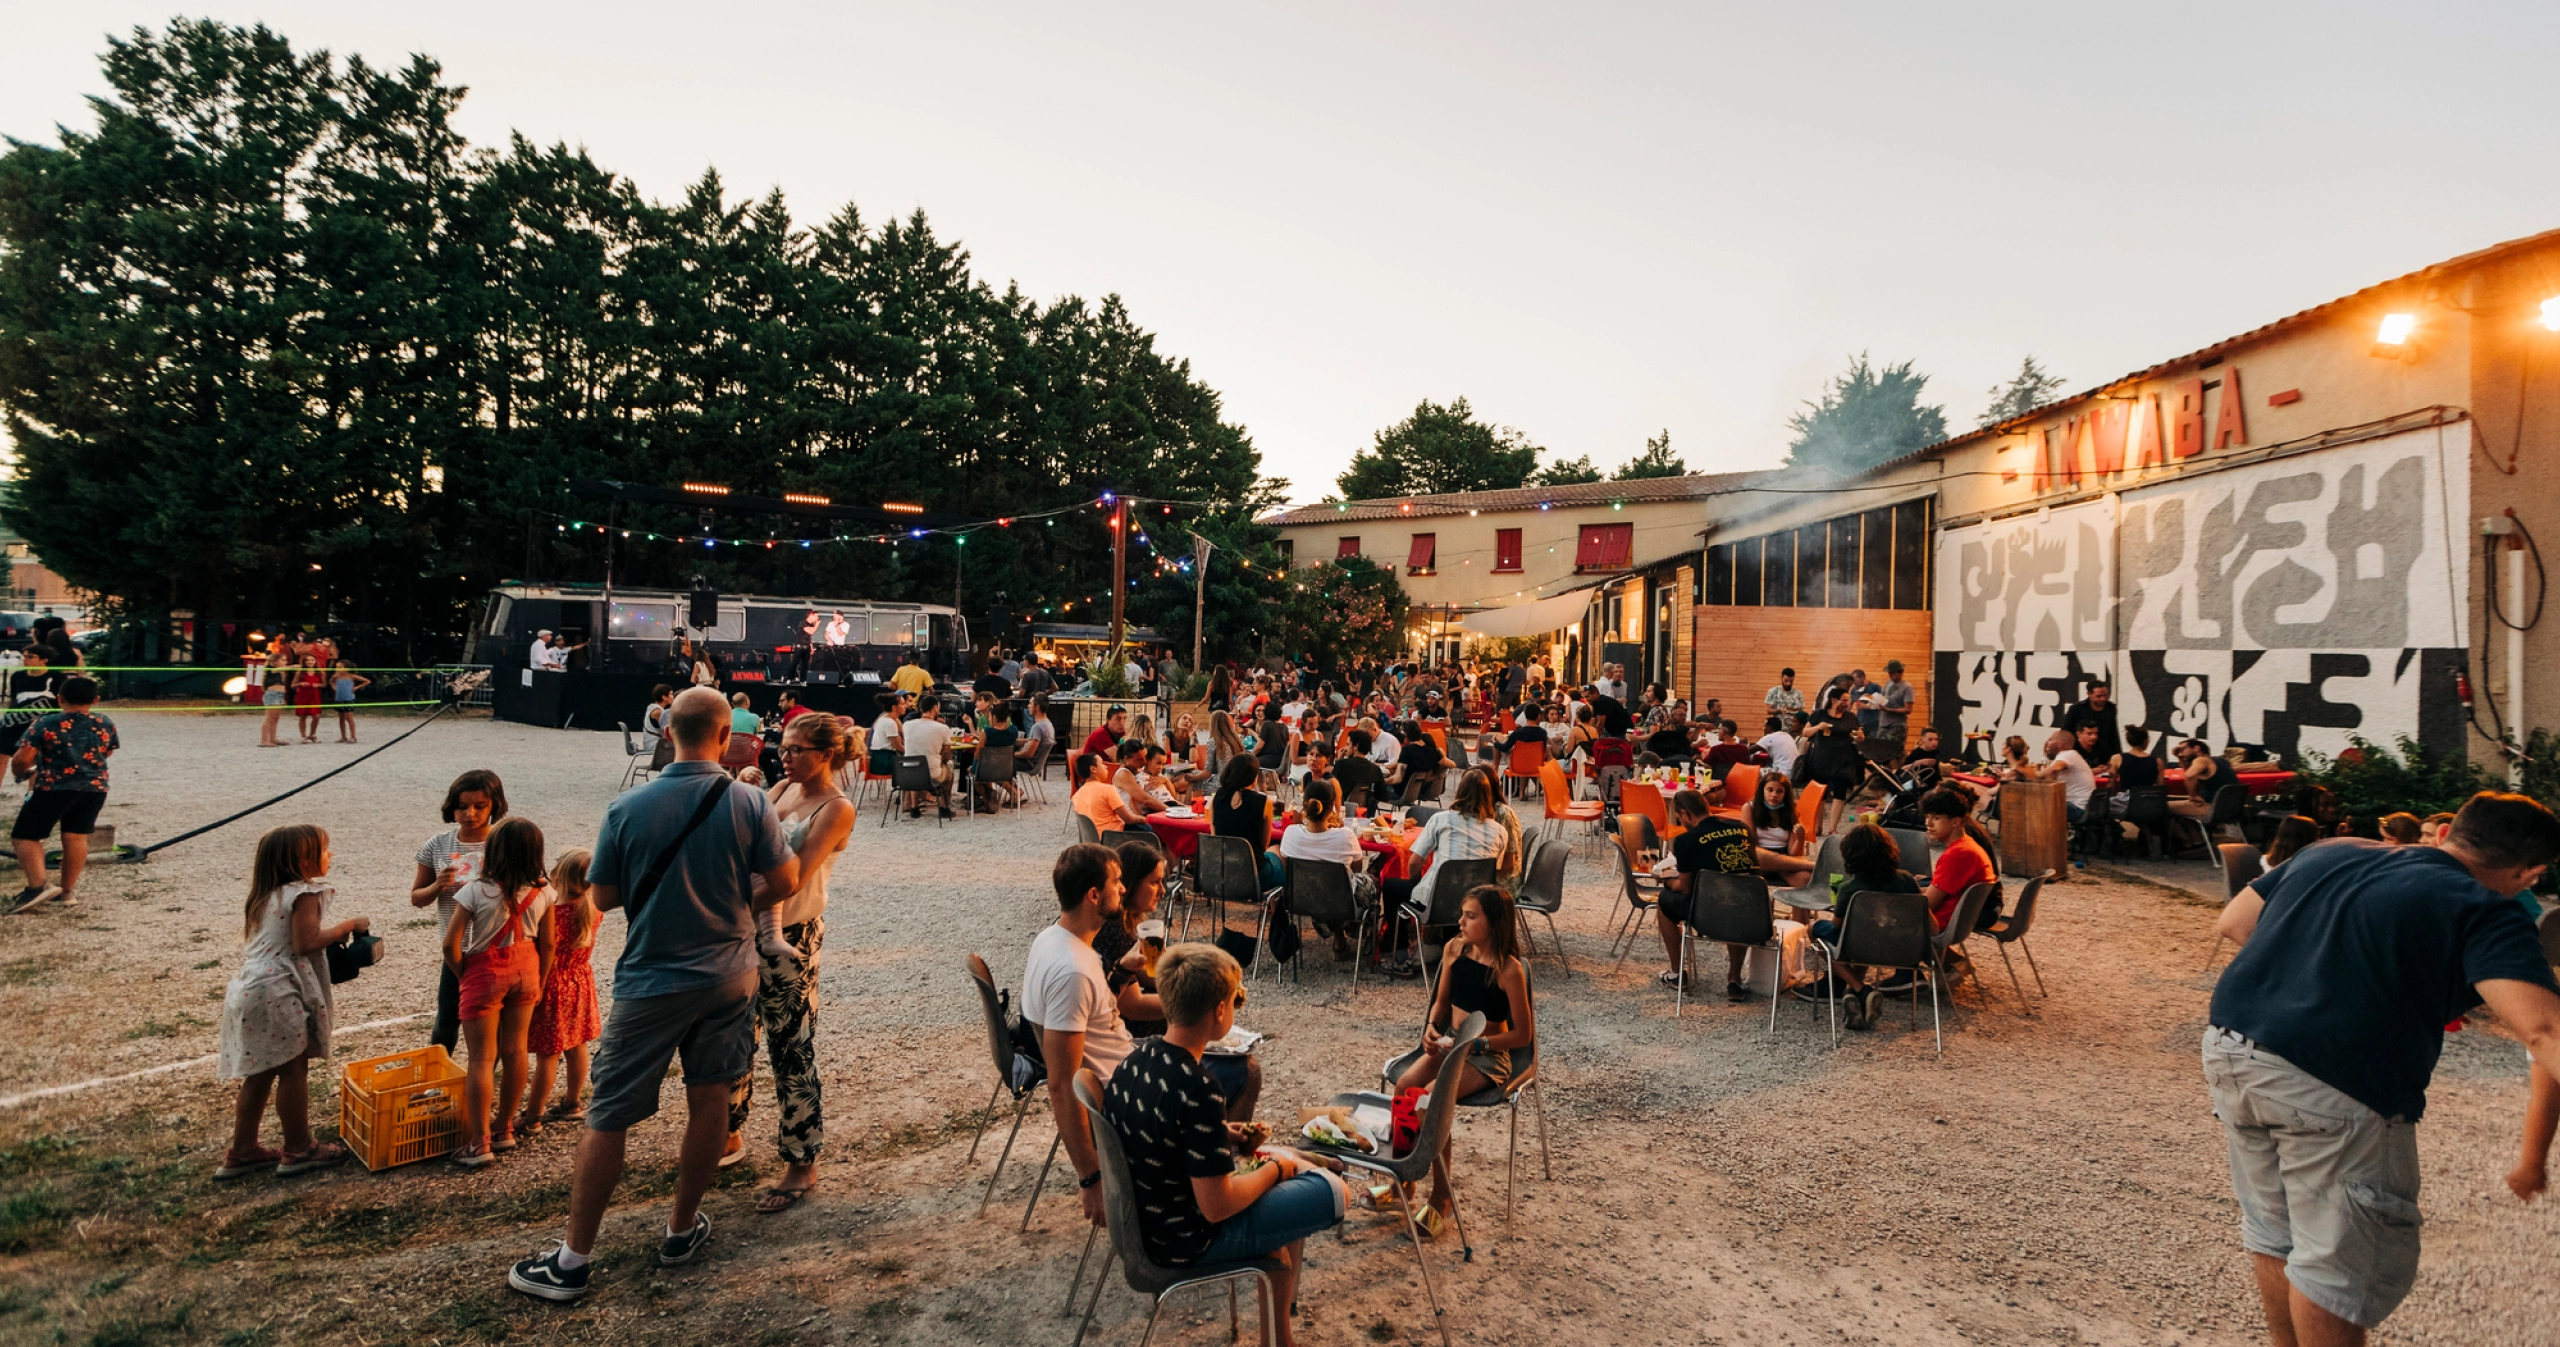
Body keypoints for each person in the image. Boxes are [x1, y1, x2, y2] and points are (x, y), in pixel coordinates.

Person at [2204, 792, 2560, 1345]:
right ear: (2529, 871)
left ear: (2447, 833)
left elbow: (2234, 921)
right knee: (2334, 1265)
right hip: (2332, 1082)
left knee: (2276, 1234)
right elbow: (2543, 1030)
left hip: (2232, 1051)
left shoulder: (2333, 850)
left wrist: (2319, 976)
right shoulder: (2484, 907)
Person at [508, 687, 799, 1303]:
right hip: (730, 974)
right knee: (710, 1096)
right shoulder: (750, 801)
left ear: (666, 733)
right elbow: (785, 879)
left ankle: (573, 1260)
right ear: (727, 737)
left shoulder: (626, 808)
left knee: (609, 1111)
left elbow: (605, 897)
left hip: (653, 979)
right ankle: (680, 1228)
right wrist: (736, 904)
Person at [1100, 943, 1343, 1346]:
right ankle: (1299, 1163)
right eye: (1234, 1001)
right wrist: (1275, 1169)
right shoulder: (1198, 1086)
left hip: (1145, 1222)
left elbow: (1162, 1132)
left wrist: (1217, 1134)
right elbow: (1218, 1206)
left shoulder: (1134, 1060)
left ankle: (1280, 1338)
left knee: (1280, 1216)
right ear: (1218, 1011)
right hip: (1181, 1241)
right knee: (1332, 1192)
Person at [726, 711, 856, 1209]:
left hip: (793, 931)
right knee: (737, 1034)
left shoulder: (836, 807)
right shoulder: (781, 788)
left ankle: (802, 1159)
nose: (786, 755)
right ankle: (730, 1133)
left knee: (790, 1045)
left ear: (826, 754)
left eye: (797, 749)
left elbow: (793, 879)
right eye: (783, 746)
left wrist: (721, 900)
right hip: (745, 928)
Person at [214, 824, 364, 1178]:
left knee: (260, 1073)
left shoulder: (265, 895)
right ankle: (299, 1148)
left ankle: (243, 1150)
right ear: (304, 859)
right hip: (277, 991)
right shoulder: (303, 894)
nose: (331, 855)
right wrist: (348, 926)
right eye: (325, 850)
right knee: (294, 1071)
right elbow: (306, 941)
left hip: (249, 988)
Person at [1391, 883, 1533, 1236]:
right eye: (1462, 915)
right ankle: (1404, 1182)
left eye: (1471, 917)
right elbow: (1440, 1003)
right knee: (1405, 1087)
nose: (1461, 922)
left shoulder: (1508, 969)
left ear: (1495, 923)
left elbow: (1522, 1037)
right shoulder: (1456, 949)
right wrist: (1430, 1029)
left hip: (1487, 1057)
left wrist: (1477, 1046)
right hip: (1450, 1045)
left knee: (1432, 1097)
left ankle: (1442, 1198)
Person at [1027, 843, 1140, 1229]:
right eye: (1117, 882)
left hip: (1125, 1067)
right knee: (1239, 1073)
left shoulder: (1054, 938)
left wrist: (1122, 972)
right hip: (1123, 1095)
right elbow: (1061, 1084)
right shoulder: (1072, 971)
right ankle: (1204, 1198)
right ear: (1095, 895)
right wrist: (1091, 1176)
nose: (1124, 889)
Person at [444, 816, 554, 1168]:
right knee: (516, 1049)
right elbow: (549, 944)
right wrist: (541, 979)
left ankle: (480, 1142)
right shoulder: (544, 891)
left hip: (485, 972)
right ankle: (505, 1127)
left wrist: (464, 974)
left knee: (480, 1058)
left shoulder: (475, 890)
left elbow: (451, 944)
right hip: (527, 971)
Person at [407, 769, 505, 1050]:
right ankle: (437, 1077)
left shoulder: (504, 842)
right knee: (447, 1018)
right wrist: (437, 886)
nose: (470, 813)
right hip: (456, 948)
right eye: (462, 806)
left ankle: (484, 1077)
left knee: (494, 1023)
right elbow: (416, 898)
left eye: (479, 806)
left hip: (497, 948)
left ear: (494, 805)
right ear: (452, 807)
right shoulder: (437, 845)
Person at [1379, 772, 1508, 978]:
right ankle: (1448, 951)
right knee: (1457, 894)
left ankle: (1400, 955)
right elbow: (1496, 870)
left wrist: (1416, 885)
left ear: (1459, 793)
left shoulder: (1441, 819)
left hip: (1437, 902)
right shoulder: (1500, 831)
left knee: (1393, 887)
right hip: (1477, 905)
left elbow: (1415, 862)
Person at [6, 676, 116, 915]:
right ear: (96, 700)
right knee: (76, 837)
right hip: (94, 788)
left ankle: (37, 887)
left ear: (60, 698)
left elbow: (24, 757)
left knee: (25, 836)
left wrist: (21, 772)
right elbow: (107, 751)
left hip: (54, 787)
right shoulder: (105, 722)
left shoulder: (46, 723)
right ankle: (66, 891)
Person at [1650, 787, 1766, 998]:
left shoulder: (1686, 840)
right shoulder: (1742, 829)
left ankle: (1677, 974)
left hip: (1708, 917)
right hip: (1752, 913)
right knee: (1734, 899)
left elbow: (1684, 888)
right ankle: (1734, 979)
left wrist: (1666, 881)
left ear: (1685, 814)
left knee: (1664, 902)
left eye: (1679, 817)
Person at [521, 848, 601, 1134]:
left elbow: (544, 946)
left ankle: (533, 1116)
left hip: (554, 984)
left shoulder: (553, 912)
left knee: (548, 1052)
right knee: (577, 1044)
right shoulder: (592, 908)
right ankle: (572, 1102)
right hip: (580, 981)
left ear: (559, 876)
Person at [1808, 823, 1918, 1029]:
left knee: (1815, 929)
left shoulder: (1849, 889)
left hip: (1860, 944)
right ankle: (1852, 994)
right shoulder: (1906, 880)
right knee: (1867, 934)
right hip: (1900, 948)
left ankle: (1860, 989)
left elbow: (1839, 926)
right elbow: (1928, 923)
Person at [1919, 788, 1996, 940]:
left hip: (1938, 924)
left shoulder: (1958, 854)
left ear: (1955, 821)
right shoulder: (1967, 845)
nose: (1928, 823)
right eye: (1927, 817)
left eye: (1936, 818)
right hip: (1953, 920)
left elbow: (1927, 905)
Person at [1799, 690, 1866, 834]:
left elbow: (1860, 736)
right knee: (1821, 794)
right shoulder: (1819, 714)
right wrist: (1818, 727)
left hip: (1844, 760)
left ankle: (1833, 828)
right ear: (1834, 700)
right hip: (1821, 759)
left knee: (1840, 793)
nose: (1847, 704)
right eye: (1844, 700)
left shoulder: (1850, 717)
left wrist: (1859, 736)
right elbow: (1805, 732)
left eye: (1848, 701)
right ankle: (1818, 826)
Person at [1745, 772, 1812, 883]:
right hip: (1761, 858)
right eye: (1770, 790)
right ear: (1762, 791)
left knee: (1805, 878)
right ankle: (1813, 865)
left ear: (1785, 794)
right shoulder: (1749, 808)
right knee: (1756, 853)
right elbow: (1749, 843)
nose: (1774, 795)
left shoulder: (1791, 812)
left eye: (1779, 791)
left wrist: (1800, 838)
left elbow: (1794, 854)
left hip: (1785, 860)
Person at [900, 698, 956, 821]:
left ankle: (914, 807)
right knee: (950, 770)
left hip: (907, 774)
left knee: (916, 765)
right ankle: (944, 807)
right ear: (936, 708)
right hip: (932, 775)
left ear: (921, 709)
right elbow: (947, 755)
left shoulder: (907, 725)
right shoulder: (942, 728)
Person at [1074, 752, 1151, 835]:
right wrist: (1146, 819)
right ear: (1093, 769)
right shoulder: (1107, 789)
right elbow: (1128, 819)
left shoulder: (1077, 795)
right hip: (1114, 836)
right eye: (1102, 764)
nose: (1106, 766)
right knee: (1154, 832)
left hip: (1093, 839)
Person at [2060, 682, 2123, 764]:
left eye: (2105, 695)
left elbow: (2113, 733)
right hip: (2081, 751)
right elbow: (2066, 732)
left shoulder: (2110, 708)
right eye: (2099, 696)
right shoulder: (2077, 709)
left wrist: (2118, 755)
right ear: (2089, 694)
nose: (2103, 699)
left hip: (2103, 751)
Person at [2045, 727, 2097, 825]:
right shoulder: (2072, 755)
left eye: (2050, 740)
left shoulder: (2066, 754)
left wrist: (2036, 775)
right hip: (2087, 807)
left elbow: (2054, 769)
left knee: (2039, 804)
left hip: (2078, 809)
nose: (2047, 742)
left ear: (2059, 744)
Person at [2171, 738, 2227, 821]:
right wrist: (2179, 756)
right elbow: (2187, 770)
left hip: (2208, 807)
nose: (2181, 752)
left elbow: (2189, 775)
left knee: (2162, 807)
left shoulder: (2201, 760)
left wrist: (2193, 796)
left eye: (2182, 749)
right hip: (2226, 807)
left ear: (2196, 748)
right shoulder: (2221, 760)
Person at [1333, 730, 1389, 810]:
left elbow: (1331, 787)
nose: (1346, 748)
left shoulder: (1342, 764)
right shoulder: (1375, 769)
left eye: (1348, 744)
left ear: (1356, 746)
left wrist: (1338, 761)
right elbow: (1383, 796)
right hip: (1363, 810)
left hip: (1340, 807)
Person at [328, 659, 368, 744]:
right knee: (341, 719)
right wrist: (334, 687)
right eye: (337, 667)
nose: (337, 669)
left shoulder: (351, 676)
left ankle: (353, 736)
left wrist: (356, 688)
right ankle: (343, 736)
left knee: (349, 718)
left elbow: (366, 681)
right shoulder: (336, 676)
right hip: (339, 699)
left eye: (340, 667)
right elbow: (331, 681)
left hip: (348, 698)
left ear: (347, 668)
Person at [1764, 667, 1805, 732]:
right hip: (1777, 729)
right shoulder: (1773, 691)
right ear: (1781, 678)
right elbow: (1768, 710)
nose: (1788, 683)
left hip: (1792, 730)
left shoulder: (1798, 693)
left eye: (1791, 681)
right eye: (1786, 681)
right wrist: (1779, 711)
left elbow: (1801, 712)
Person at [641, 685, 677, 752]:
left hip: (655, 742)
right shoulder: (658, 712)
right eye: (671, 694)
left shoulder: (653, 708)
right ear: (664, 697)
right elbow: (668, 731)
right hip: (655, 745)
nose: (673, 697)